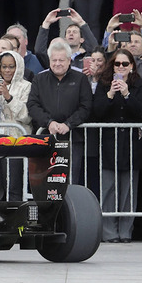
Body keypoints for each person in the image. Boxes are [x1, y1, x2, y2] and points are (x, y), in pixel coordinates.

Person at [92, 48, 142, 243]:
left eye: (125, 64)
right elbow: (96, 112)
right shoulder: (104, 85)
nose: (120, 67)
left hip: (131, 145)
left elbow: (139, 111)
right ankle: (109, 233)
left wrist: (128, 94)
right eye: (117, 64)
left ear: (131, 66)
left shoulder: (139, 85)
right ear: (111, 66)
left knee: (128, 192)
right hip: (109, 144)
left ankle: (125, 232)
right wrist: (111, 94)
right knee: (108, 190)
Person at [27, 39, 93, 184]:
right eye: (54, 60)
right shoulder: (39, 79)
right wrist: (48, 122)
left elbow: (86, 106)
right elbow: (32, 104)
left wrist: (69, 124)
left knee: (70, 181)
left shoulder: (81, 79)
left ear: (69, 60)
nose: (57, 63)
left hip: (73, 139)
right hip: (45, 137)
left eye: (61, 60)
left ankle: (69, 207)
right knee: (45, 181)